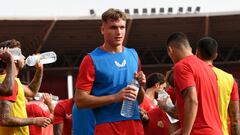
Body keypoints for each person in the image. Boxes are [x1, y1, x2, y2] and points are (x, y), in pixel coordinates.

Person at [75, 8, 145, 135]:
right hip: (107, 126)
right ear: (102, 29)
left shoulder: (133, 54)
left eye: (122, 27)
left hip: (134, 124)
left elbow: (139, 100)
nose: (119, 32)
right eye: (113, 27)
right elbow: (80, 101)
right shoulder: (91, 59)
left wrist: (141, 86)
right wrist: (115, 97)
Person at [166, 32, 223, 135]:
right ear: (190, 48)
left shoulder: (182, 66)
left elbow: (192, 100)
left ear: (170, 50)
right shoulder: (209, 70)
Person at [0, 39, 51, 135]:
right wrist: (34, 121)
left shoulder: (14, 82)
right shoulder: (6, 83)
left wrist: (39, 70)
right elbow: (5, 119)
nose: (24, 57)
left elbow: (32, 92)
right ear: (12, 58)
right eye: (19, 54)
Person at [196, 37, 239, 135]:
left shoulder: (191, 76)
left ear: (197, 53)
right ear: (215, 56)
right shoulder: (229, 79)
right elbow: (235, 119)